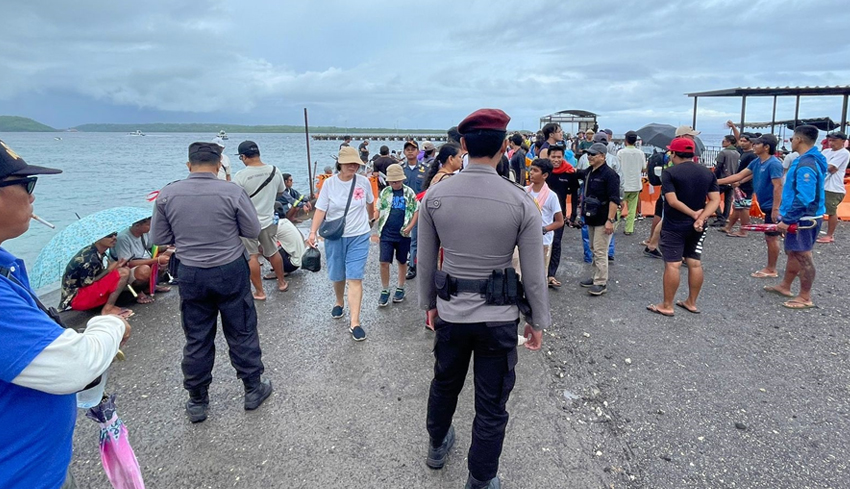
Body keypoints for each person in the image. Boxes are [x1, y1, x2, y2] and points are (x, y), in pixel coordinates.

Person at [418, 108, 548, 489]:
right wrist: (536, 321)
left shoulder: (435, 196)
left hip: (451, 313)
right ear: (505, 146)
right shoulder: (521, 201)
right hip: (498, 318)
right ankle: (481, 478)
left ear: (463, 145)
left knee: (444, 382)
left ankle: (437, 444)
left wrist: (428, 305)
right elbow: (534, 272)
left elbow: (425, 261)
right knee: (491, 404)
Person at [0, 140, 130, 489]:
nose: (33, 197)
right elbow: (73, 366)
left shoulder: (6, 266)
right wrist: (110, 323)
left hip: (42, 464)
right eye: (27, 185)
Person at [152, 142, 272, 423]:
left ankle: (197, 400)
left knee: (197, 336)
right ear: (218, 164)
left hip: (191, 272)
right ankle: (253, 389)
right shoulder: (232, 191)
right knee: (241, 329)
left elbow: (158, 239)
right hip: (230, 268)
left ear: (188, 165)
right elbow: (252, 229)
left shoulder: (168, 194)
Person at [307, 146, 375, 341]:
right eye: (349, 163)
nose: (353, 166)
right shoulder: (329, 184)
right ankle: (339, 301)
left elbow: (370, 202)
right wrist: (312, 232)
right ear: (340, 163)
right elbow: (320, 210)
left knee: (355, 276)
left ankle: (355, 322)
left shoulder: (363, 182)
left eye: (356, 163)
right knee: (338, 274)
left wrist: (371, 218)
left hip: (359, 235)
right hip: (335, 236)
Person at [647, 137, 720, 316]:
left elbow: (672, 201)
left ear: (673, 153)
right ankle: (691, 302)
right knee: (694, 263)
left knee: (673, 264)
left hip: (675, 224)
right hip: (698, 225)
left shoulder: (670, 173)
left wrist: (693, 214)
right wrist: (701, 217)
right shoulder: (707, 173)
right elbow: (715, 200)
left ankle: (667, 305)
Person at [764, 125, 827, 309]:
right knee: (793, 252)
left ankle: (805, 296)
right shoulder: (808, 159)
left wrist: (787, 220)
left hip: (805, 218)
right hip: (800, 215)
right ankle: (785, 286)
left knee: (803, 255)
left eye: (792, 138)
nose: (790, 141)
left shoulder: (806, 163)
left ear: (799, 139)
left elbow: (805, 197)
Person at [718, 135, 784, 278]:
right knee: (775, 237)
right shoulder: (757, 162)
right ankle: (795, 266)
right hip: (766, 204)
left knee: (772, 237)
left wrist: (776, 208)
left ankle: (771, 269)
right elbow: (739, 176)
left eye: (757, 144)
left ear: (766, 147)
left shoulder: (774, 163)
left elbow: (778, 186)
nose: (754, 146)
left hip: (774, 205)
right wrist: (715, 181)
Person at [233, 141, 289, 299]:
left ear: (243, 157)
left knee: (252, 256)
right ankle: (282, 283)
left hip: (246, 223)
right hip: (268, 220)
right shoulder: (274, 170)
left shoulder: (240, 176)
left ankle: (260, 292)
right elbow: (280, 192)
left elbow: (235, 201)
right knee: (272, 251)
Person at [576, 143, 621, 296]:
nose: (589, 157)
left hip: (603, 218)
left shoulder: (610, 175)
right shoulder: (590, 171)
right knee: (594, 248)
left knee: (601, 250)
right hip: (592, 217)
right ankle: (595, 276)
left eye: (593, 154)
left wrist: (610, 220)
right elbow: (577, 174)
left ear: (603, 156)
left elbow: (614, 199)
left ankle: (601, 282)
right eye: (589, 154)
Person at [374, 164, 418, 306]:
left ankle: (400, 287)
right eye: (392, 181)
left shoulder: (409, 193)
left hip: (403, 233)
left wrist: (410, 226)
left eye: (397, 181)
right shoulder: (385, 192)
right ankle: (385, 289)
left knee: (402, 261)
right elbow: (378, 208)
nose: (395, 184)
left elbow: (416, 210)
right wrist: (374, 219)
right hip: (386, 232)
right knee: (383, 262)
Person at [60, 233, 134, 319]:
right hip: (77, 298)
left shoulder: (96, 252)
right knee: (123, 272)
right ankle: (108, 309)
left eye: (115, 234)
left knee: (123, 271)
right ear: (98, 239)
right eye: (109, 236)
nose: (114, 238)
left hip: (80, 294)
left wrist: (112, 269)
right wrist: (109, 270)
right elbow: (86, 283)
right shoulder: (90, 258)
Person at [112, 217, 172, 304]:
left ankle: (149, 286)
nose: (151, 226)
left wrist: (168, 247)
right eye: (148, 224)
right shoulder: (123, 238)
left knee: (166, 257)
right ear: (137, 226)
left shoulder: (144, 233)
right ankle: (138, 292)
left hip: (143, 260)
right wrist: (156, 260)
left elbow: (152, 247)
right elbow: (127, 263)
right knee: (144, 270)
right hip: (129, 267)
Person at [525, 158, 564, 275]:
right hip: (525, 238)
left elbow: (560, 221)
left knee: (540, 273)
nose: (531, 173)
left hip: (543, 241)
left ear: (545, 175)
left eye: (535, 170)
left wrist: (544, 229)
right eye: (531, 169)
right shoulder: (524, 191)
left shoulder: (551, 196)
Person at [544, 145, 575, 287]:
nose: (556, 160)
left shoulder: (569, 172)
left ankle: (551, 274)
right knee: (541, 244)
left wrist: (573, 214)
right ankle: (540, 273)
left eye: (559, 157)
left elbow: (574, 195)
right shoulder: (544, 172)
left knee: (556, 243)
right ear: (548, 157)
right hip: (542, 214)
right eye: (553, 157)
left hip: (559, 215)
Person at [722, 126, 757, 236]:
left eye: (744, 141)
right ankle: (728, 227)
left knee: (744, 207)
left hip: (746, 185)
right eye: (741, 141)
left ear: (751, 142)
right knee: (737, 206)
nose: (741, 143)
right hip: (738, 183)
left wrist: (741, 182)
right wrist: (733, 127)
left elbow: (753, 172)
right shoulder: (743, 151)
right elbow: (737, 138)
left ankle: (743, 230)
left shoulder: (752, 155)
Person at [816, 131, 849, 243]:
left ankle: (830, 235)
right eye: (830, 140)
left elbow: (831, 168)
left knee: (831, 211)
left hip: (833, 187)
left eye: (834, 140)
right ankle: (816, 231)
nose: (831, 143)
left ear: (843, 142)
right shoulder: (826, 151)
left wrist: (823, 166)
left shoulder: (844, 153)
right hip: (822, 185)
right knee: (817, 210)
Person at [402, 140, 428, 279]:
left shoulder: (425, 169)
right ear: (404, 152)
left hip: (419, 208)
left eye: (413, 149)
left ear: (418, 151)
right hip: (403, 208)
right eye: (408, 149)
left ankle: (413, 265)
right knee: (403, 237)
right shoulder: (400, 169)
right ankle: (405, 260)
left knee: (415, 238)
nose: (410, 151)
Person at [617, 130, 645, 235]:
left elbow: (617, 168)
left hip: (623, 184)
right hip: (636, 184)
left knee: (618, 207)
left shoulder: (620, 152)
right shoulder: (641, 153)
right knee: (632, 209)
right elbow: (644, 168)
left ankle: (614, 226)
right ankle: (629, 229)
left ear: (626, 140)